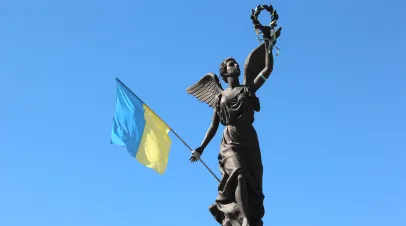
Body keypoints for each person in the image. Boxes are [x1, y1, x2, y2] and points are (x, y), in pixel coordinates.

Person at [189, 28, 275, 226]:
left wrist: (269, 45)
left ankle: (246, 215)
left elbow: (267, 70)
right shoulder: (220, 97)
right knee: (239, 174)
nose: (235, 65)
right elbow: (213, 126)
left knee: (253, 184)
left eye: (235, 63)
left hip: (249, 140)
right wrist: (201, 148)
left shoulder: (247, 88)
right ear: (224, 72)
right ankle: (244, 219)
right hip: (230, 141)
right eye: (231, 64)